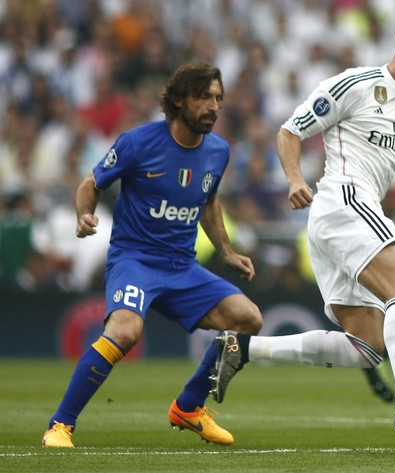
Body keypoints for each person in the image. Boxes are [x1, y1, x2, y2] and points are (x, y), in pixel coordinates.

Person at [210, 12, 395, 438]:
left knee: (368, 347)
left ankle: (242, 347)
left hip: (347, 218)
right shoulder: (355, 84)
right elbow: (289, 132)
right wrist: (296, 178)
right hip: (342, 200)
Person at [42, 62, 263, 448]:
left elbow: (209, 202)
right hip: (136, 261)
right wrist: (84, 214)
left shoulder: (219, 151)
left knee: (249, 320)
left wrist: (226, 251)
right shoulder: (137, 143)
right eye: (205, 97)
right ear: (178, 100)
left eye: (218, 98)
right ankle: (60, 425)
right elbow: (91, 183)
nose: (214, 106)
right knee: (125, 332)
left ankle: (189, 407)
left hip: (182, 266)